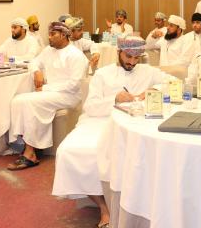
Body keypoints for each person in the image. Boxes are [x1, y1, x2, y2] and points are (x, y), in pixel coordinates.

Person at [52, 36, 173, 228]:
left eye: (136, 58)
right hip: (101, 120)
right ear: (119, 52)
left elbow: (172, 83)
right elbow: (90, 106)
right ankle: (104, 207)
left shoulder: (148, 71)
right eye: (128, 57)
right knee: (69, 153)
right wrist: (115, 99)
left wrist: (152, 91)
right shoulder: (103, 74)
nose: (132, 62)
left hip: (139, 123)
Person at [8, 22, 88, 170]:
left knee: (30, 102)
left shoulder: (75, 55)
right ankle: (26, 145)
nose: (49, 37)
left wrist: (45, 88)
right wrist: (37, 71)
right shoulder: (49, 50)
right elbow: (34, 62)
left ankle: (30, 154)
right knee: (17, 100)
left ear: (63, 35)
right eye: (49, 34)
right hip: (51, 93)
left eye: (53, 34)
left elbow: (74, 85)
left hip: (68, 96)